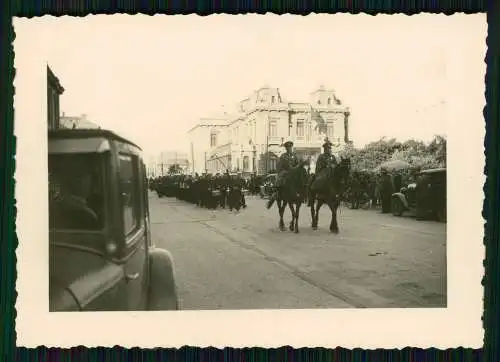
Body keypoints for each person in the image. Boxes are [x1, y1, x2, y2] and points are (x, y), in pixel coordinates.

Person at [266, 140, 299, 208]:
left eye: (290, 147)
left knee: (300, 179)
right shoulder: (283, 156)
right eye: (287, 147)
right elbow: (279, 165)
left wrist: (297, 167)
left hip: (294, 172)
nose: (289, 148)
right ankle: (277, 193)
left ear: (291, 148)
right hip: (285, 172)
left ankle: (300, 194)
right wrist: (281, 171)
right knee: (280, 180)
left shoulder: (294, 156)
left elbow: (297, 163)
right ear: (286, 148)